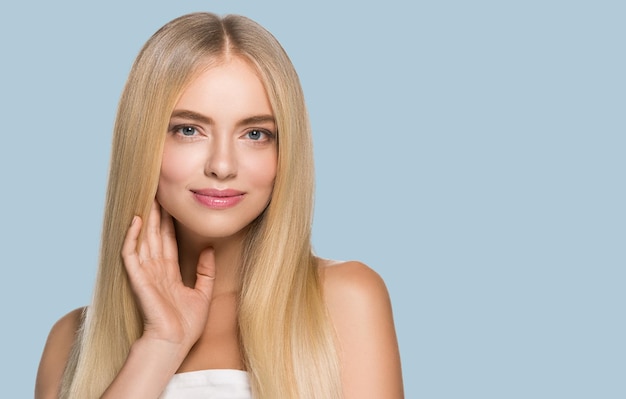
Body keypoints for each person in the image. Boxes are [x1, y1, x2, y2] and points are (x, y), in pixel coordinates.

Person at [35, 12, 403, 399]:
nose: (222, 166)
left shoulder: (345, 300)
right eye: (189, 130)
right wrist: (162, 344)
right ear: (143, 143)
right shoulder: (70, 343)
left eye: (255, 134)